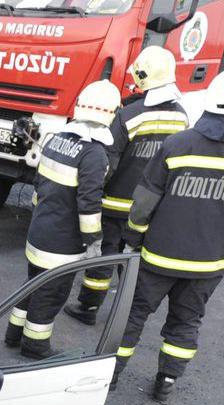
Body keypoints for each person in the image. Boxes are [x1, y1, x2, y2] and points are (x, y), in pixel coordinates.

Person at [116, 66, 224, 400]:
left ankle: (111, 376)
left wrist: (133, 238)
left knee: (133, 315)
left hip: (158, 257)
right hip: (210, 263)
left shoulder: (178, 145)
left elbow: (144, 202)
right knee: (186, 322)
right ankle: (166, 383)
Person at [67, 45, 186, 325]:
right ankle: (127, 313)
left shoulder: (129, 115)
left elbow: (109, 162)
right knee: (134, 262)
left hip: (115, 205)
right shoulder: (181, 116)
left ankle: (89, 308)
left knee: (104, 258)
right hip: (151, 209)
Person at [5, 80, 120, 359]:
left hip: (39, 229)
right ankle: (35, 346)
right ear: (110, 113)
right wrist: (93, 242)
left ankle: (14, 333)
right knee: (51, 293)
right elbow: (89, 204)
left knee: (31, 283)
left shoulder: (57, 139)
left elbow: (39, 184)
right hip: (62, 242)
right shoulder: (94, 153)